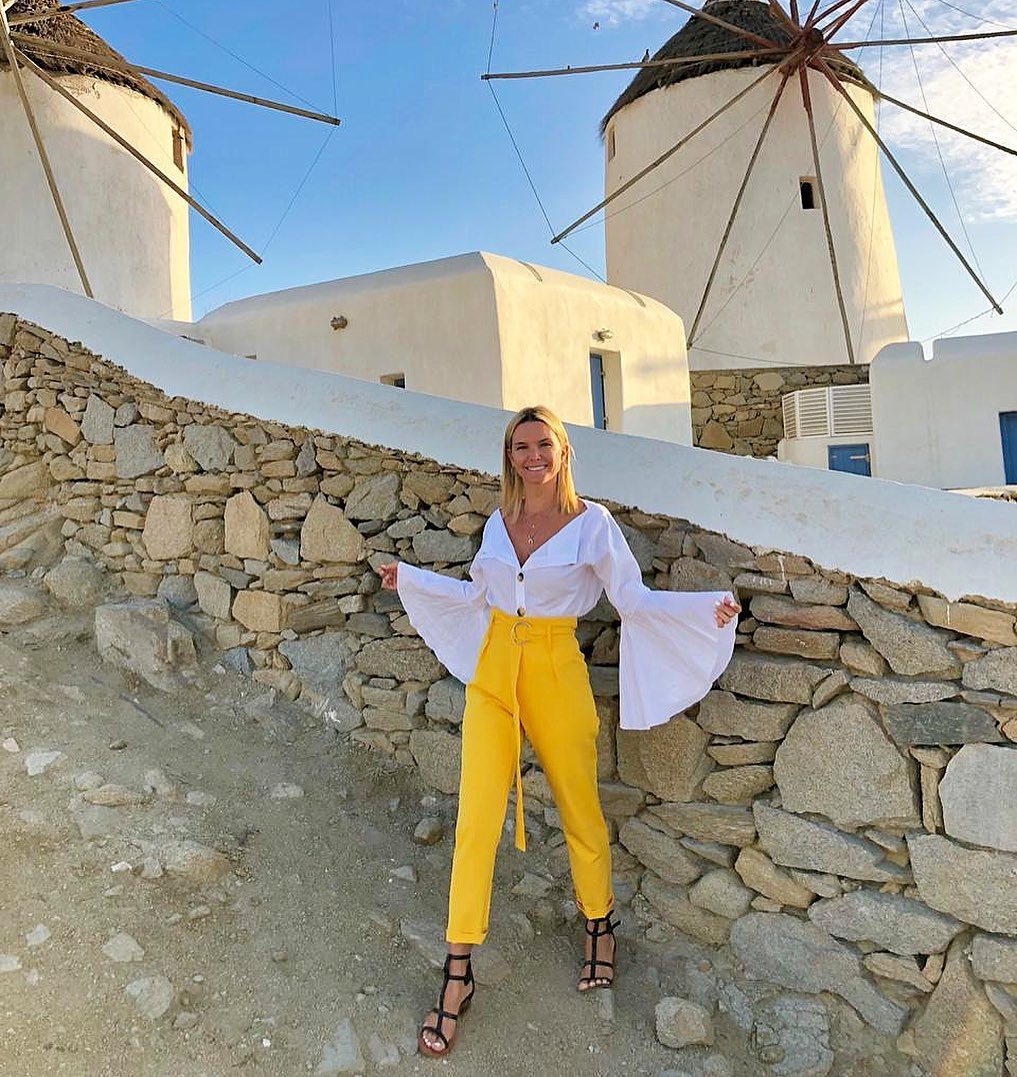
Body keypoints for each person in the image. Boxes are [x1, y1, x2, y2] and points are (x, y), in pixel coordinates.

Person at [378, 404, 740, 1059]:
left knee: (578, 807)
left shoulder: (591, 524)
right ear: (510, 456)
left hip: (554, 667)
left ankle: (599, 923)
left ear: (563, 451)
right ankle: (457, 973)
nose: (532, 456)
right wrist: (410, 579)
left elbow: (633, 600)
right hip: (495, 670)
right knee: (475, 820)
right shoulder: (499, 521)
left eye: (543, 444)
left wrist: (702, 609)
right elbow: (475, 596)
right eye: (521, 447)